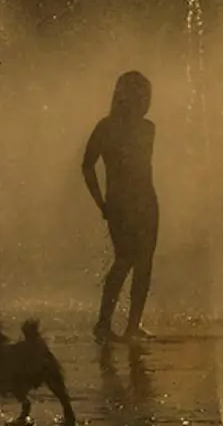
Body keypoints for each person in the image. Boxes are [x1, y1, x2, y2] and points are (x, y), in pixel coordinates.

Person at [84, 71, 159, 342]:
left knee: (144, 263)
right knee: (125, 260)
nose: (144, 101)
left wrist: (103, 201)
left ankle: (132, 325)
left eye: (146, 96)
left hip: (145, 201)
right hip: (121, 202)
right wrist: (100, 201)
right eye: (139, 95)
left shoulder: (148, 128)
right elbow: (87, 165)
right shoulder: (106, 127)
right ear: (123, 96)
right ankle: (103, 323)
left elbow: (90, 167)